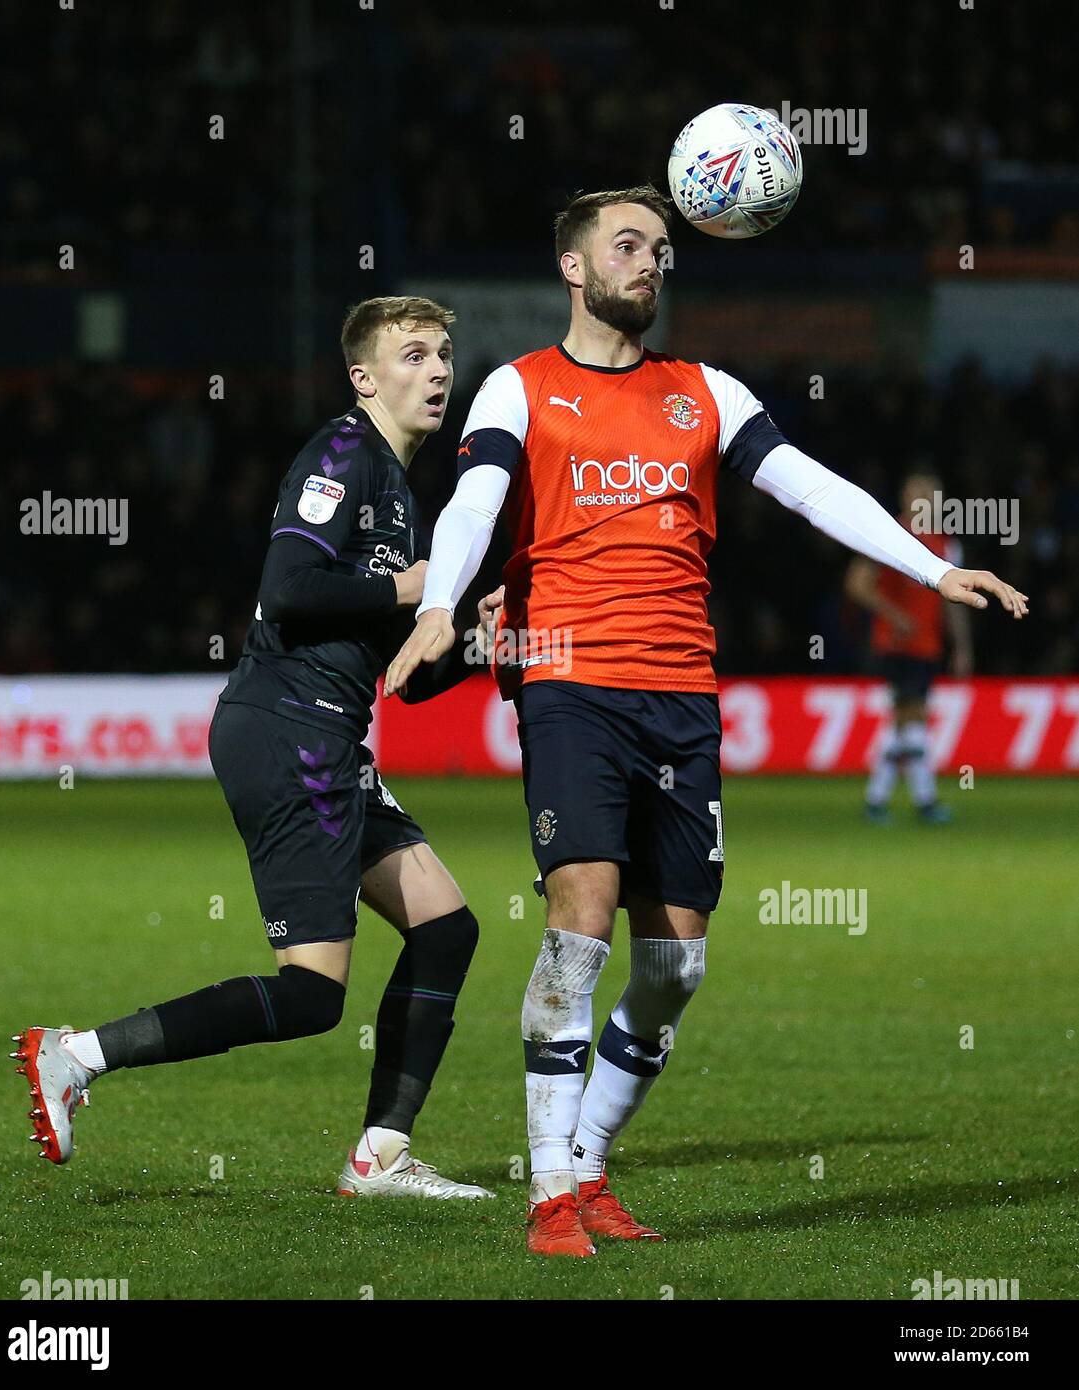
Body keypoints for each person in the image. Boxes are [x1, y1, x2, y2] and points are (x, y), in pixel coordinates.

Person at [384, 187, 1029, 1255]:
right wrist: (445, 601)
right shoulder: (519, 388)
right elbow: (475, 502)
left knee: (673, 963)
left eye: (661, 248)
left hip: (682, 697)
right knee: (577, 918)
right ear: (574, 269)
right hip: (567, 681)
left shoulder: (703, 393)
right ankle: (549, 1191)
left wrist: (932, 565)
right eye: (626, 245)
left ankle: (589, 1165)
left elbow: (812, 488)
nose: (649, 263)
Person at [13, 296, 497, 1201]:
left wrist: (475, 642)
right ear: (364, 377)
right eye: (415, 355)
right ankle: (75, 1054)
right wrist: (409, 587)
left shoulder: (395, 486)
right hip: (289, 733)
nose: (438, 371)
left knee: (446, 929)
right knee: (314, 997)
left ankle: (381, 1158)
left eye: (442, 355)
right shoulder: (342, 455)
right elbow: (290, 588)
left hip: (332, 737)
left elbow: (401, 675)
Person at [845, 472, 972, 823]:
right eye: (919, 493)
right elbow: (856, 584)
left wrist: (961, 646)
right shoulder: (888, 534)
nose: (927, 500)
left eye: (932, 493)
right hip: (895, 642)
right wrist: (895, 616)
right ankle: (921, 802)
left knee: (906, 723)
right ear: (906, 498)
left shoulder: (947, 544)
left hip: (927, 644)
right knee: (910, 719)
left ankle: (882, 802)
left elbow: (953, 600)